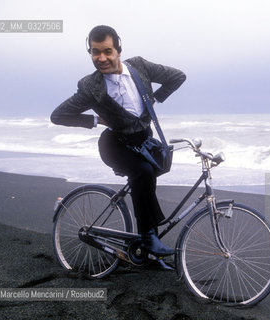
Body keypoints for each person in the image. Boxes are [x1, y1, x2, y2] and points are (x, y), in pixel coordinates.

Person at [51, 25, 186, 256]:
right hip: (114, 144)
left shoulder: (140, 67)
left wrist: (153, 99)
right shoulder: (90, 86)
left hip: (143, 142)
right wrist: (95, 120)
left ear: (118, 49)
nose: (101, 58)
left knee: (147, 182)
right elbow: (58, 115)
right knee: (142, 173)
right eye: (95, 52)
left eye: (107, 51)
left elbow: (177, 77)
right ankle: (148, 238)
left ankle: (147, 249)